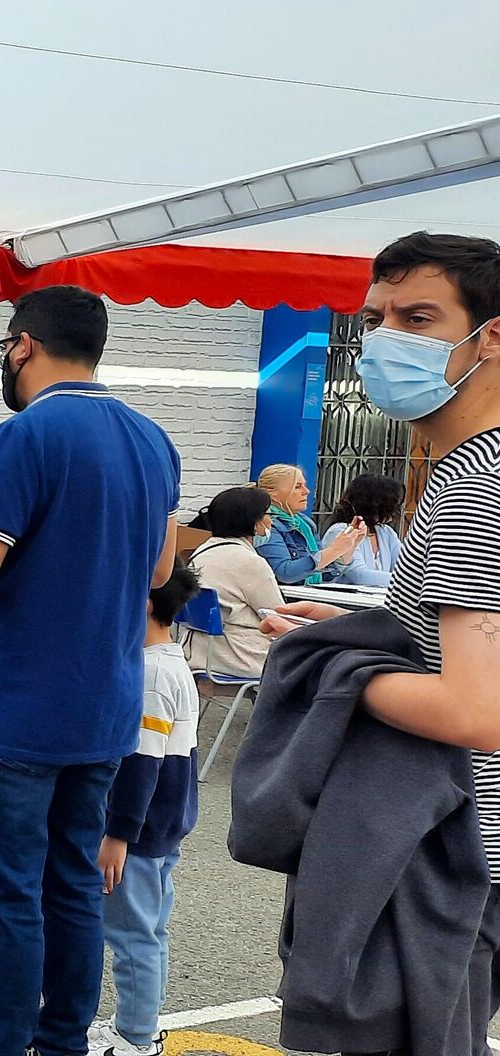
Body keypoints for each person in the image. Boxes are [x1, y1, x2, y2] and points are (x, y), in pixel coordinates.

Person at [265, 232, 500, 1056]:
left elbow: (476, 709)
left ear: (491, 335)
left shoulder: (475, 486)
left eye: (420, 317)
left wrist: (327, 671)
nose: (384, 339)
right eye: (375, 319)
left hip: (440, 845)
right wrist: (360, 634)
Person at [0, 285, 180, 1056]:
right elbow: (160, 569)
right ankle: (61, 1041)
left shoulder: (25, 436)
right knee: (72, 884)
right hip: (104, 709)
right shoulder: (153, 439)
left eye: (7, 347)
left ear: (26, 345)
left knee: (7, 898)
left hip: (12, 709)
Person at [90, 566, 202, 1056]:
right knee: (149, 930)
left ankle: (135, 1036)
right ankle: (138, 1025)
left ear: (146, 606)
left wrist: (117, 834)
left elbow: (141, 762)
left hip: (136, 830)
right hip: (161, 826)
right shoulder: (169, 662)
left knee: (131, 935)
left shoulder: (150, 673)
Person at [183, 487, 286, 679]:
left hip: (199, 652)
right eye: (268, 515)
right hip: (240, 656)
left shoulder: (201, 552)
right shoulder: (249, 562)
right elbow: (278, 615)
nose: (271, 521)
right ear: (254, 523)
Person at [254, 463, 365, 586]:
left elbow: (327, 575)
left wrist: (348, 547)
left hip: (310, 593)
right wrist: (334, 549)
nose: (306, 491)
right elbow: (284, 573)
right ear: (272, 494)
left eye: (305, 485)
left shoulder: (304, 523)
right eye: (297, 487)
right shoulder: (268, 524)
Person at [323, 473, 404, 588]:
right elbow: (359, 575)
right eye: (391, 504)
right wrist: (408, 582)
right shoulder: (341, 531)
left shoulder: (386, 532)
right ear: (373, 504)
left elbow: (404, 566)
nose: (396, 509)